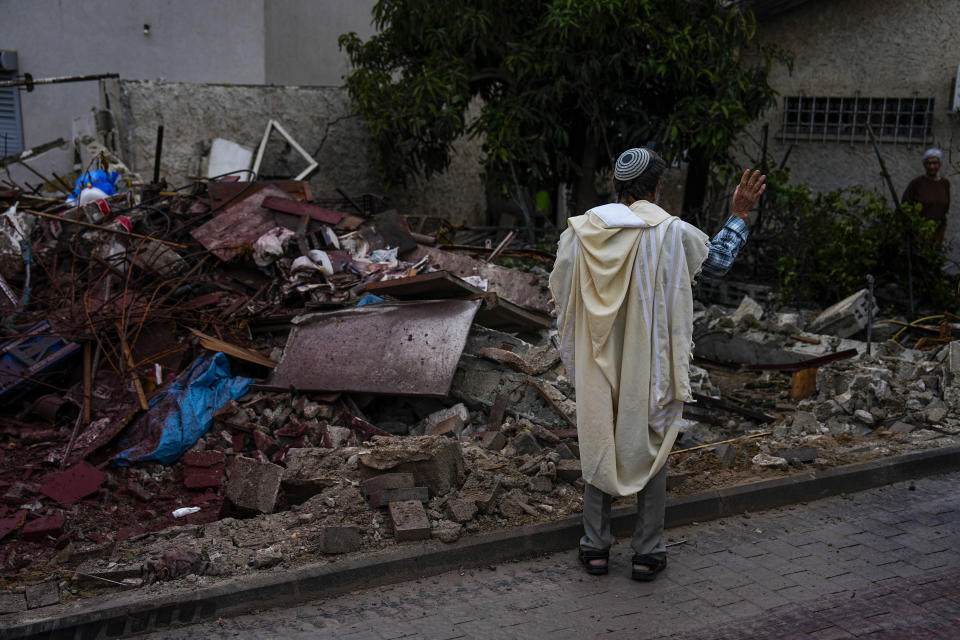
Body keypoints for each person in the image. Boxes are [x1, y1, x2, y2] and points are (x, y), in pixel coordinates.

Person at [548, 147, 765, 580]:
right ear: (656, 188)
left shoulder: (580, 231)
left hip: (597, 354)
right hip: (650, 359)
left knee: (599, 434)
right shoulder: (669, 233)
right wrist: (739, 214)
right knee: (650, 437)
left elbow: (560, 287)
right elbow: (716, 262)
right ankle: (647, 552)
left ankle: (595, 548)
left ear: (617, 187)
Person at [902, 148, 950, 251]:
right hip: (920, 232)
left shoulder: (945, 184)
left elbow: (945, 207)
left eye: (935, 163)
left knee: (934, 259)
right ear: (925, 165)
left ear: (940, 164)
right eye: (929, 163)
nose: (932, 166)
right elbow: (905, 206)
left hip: (938, 232)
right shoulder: (917, 183)